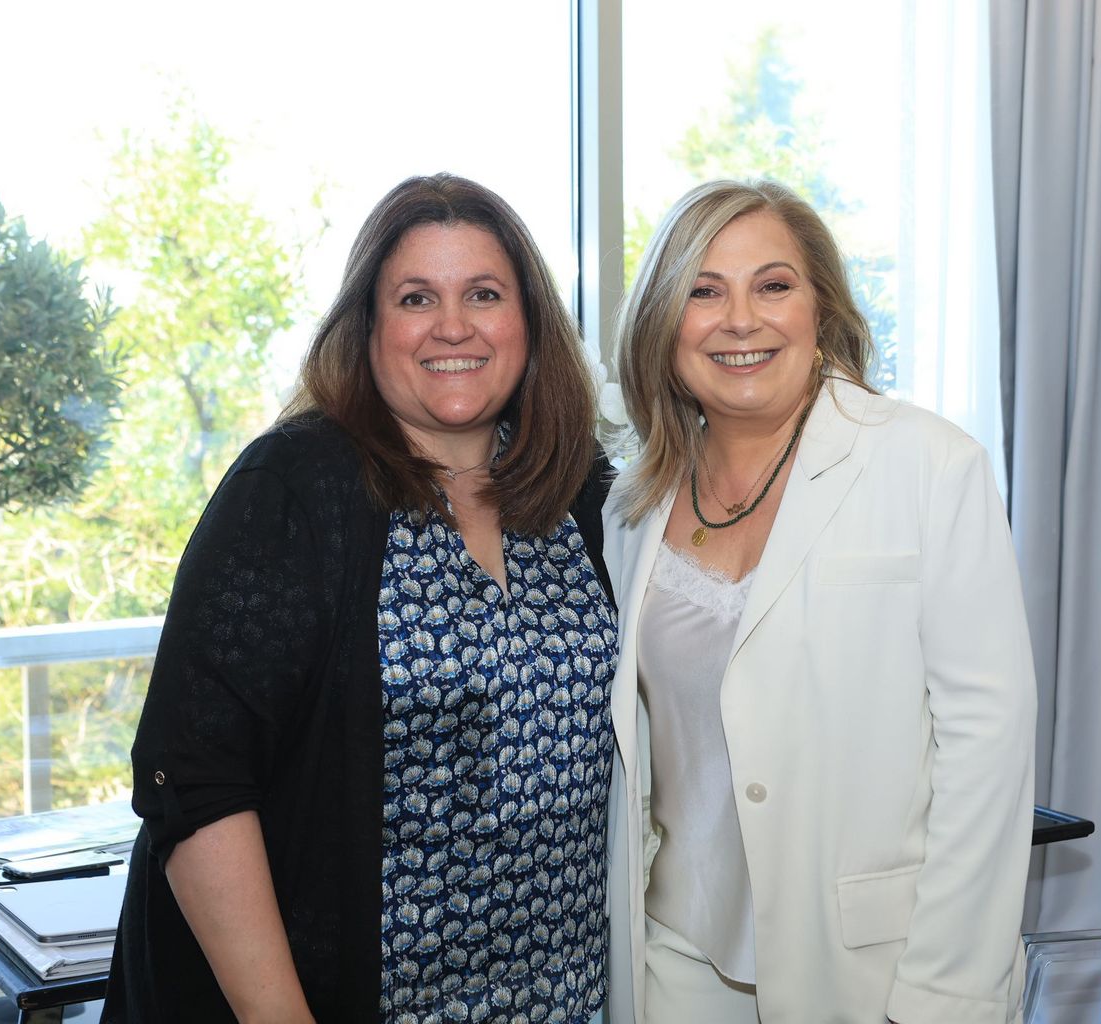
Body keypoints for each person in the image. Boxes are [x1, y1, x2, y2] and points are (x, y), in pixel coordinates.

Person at [103, 174, 618, 1023]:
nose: (453, 325)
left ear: (528, 322)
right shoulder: (296, 487)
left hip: (565, 997)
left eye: (484, 294)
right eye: (417, 298)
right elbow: (194, 775)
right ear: (369, 328)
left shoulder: (582, 490)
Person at [601, 179, 1036, 1024]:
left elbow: (988, 745)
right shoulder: (632, 505)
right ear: (663, 322)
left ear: (820, 307)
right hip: (677, 953)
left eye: (773, 285)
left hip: (873, 966)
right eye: (703, 291)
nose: (741, 320)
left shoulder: (928, 466)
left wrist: (945, 991)